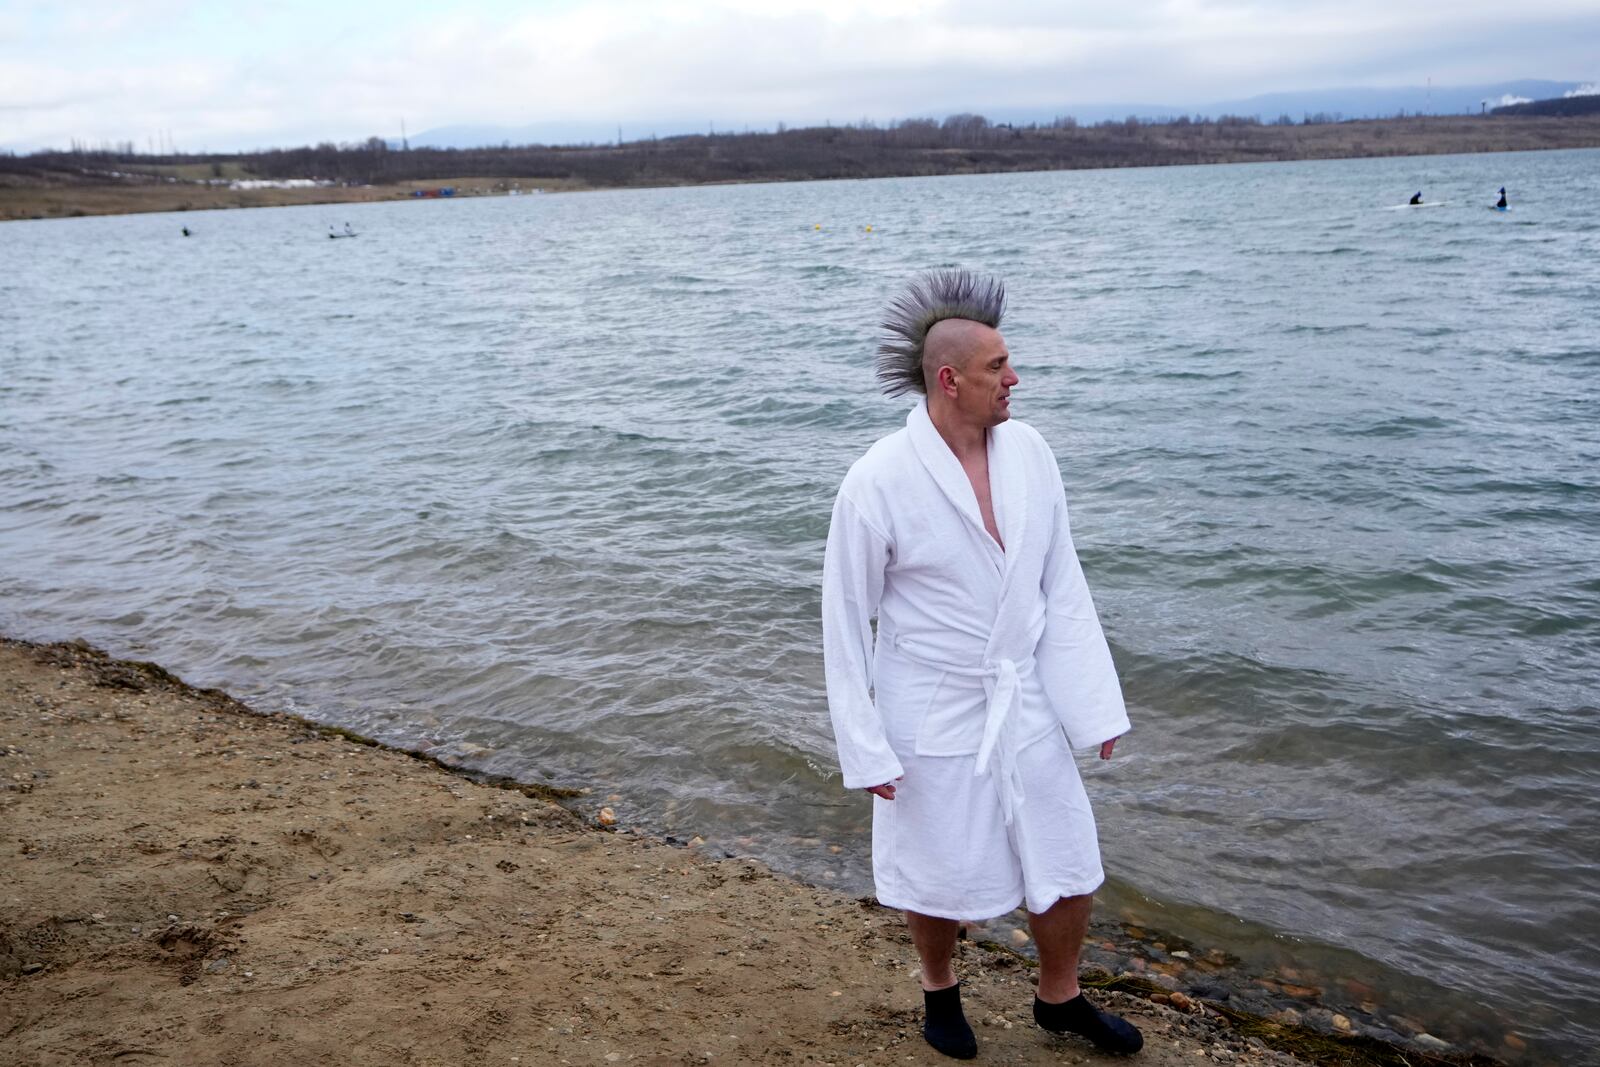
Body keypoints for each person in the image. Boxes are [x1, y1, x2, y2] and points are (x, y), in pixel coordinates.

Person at [822, 268, 1140, 1060]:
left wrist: (1093, 704)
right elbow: (843, 619)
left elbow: (1061, 582)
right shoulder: (877, 481)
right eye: (1000, 365)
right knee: (935, 866)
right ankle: (940, 992)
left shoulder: (1031, 452)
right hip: (927, 698)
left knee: (1068, 856)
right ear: (950, 378)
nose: (1015, 377)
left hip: (1019, 690)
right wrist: (863, 744)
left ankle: (1059, 998)